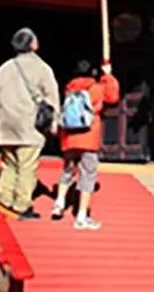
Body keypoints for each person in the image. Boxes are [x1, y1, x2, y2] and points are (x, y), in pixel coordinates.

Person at [0, 27, 57, 219]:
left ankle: (4, 199)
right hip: (29, 125)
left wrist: (0, 120)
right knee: (27, 166)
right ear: (33, 45)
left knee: (8, 164)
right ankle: (21, 204)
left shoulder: (3, 69)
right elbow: (51, 97)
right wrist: (53, 124)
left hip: (7, 124)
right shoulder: (42, 68)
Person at [51, 58, 119, 230]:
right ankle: (81, 216)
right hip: (89, 136)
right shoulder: (96, 88)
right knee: (87, 176)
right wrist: (108, 75)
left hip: (69, 136)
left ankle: (59, 203)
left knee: (67, 170)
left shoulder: (70, 88)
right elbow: (113, 96)